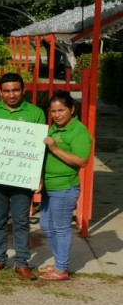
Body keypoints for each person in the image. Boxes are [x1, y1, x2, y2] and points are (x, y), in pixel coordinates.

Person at [0, 72, 46, 281]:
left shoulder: (35, 113)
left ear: (23, 90)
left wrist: (39, 175)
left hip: (22, 178)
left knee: (21, 220)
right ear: (0, 92)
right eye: (7, 90)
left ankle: (22, 263)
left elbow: (40, 150)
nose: (11, 94)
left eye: (15, 90)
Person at [39, 91, 92, 281]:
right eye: (53, 111)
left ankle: (61, 269)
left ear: (72, 109)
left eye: (61, 110)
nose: (57, 115)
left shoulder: (79, 131)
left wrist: (54, 148)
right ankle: (59, 262)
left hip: (64, 187)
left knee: (60, 228)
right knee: (45, 224)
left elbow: (82, 160)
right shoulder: (54, 129)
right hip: (49, 186)